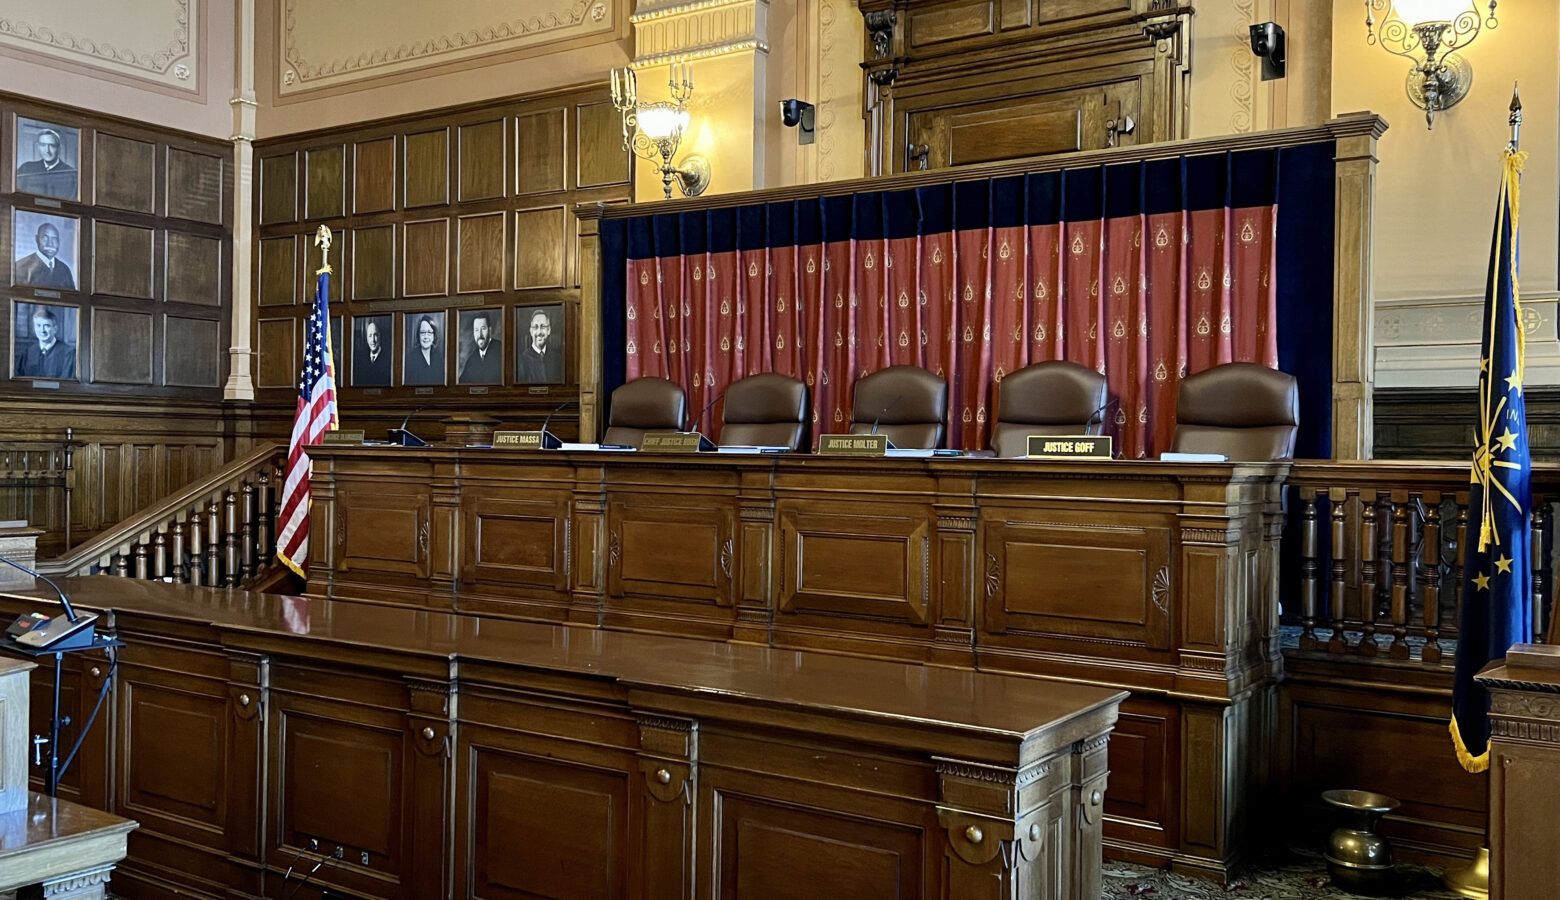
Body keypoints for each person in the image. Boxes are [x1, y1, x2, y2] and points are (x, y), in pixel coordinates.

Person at [15, 306, 75, 379]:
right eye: (38, 325)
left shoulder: (68, 353)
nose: (42, 330)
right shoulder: (29, 353)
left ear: (55, 329)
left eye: (46, 326)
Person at [15, 129, 77, 198]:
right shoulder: (26, 169)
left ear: (59, 148)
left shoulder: (72, 175)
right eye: (43, 145)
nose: (47, 150)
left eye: (51, 145)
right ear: (38, 147)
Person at [14, 222, 75, 290]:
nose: (50, 244)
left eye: (54, 239)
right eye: (45, 238)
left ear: (59, 241)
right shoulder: (20, 267)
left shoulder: (64, 269)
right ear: (37, 239)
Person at [517, 308, 563, 383]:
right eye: (535, 327)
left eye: (543, 327)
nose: (539, 332)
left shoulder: (557, 359)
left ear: (549, 330)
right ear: (531, 331)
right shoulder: (522, 361)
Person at [459, 312, 502, 384]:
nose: (480, 334)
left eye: (483, 329)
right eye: (476, 330)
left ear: (490, 330)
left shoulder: (501, 350)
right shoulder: (472, 359)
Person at [404, 314, 444, 385]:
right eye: (422, 333)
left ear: (434, 336)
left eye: (429, 333)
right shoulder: (411, 358)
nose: (426, 337)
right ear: (418, 335)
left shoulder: (438, 356)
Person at [354, 318, 391, 386]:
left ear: (380, 335)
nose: (373, 340)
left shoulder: (389, 359)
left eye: (375, 335)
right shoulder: (361, 359)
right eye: (370, 336)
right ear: (367, 338)